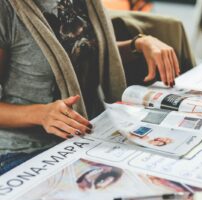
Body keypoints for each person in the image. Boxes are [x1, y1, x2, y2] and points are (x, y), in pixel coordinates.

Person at [0, 0, 190, 175]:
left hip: (91, 132)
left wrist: (138, 44)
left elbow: (84, 52)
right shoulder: (6, 9)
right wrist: (41, 114)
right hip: (26, 152)